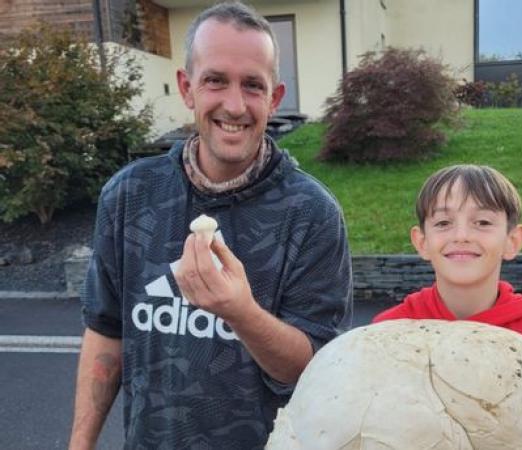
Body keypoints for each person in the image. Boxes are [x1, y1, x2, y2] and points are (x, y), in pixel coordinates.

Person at [69, 2, 352, 449]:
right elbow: (106, 331)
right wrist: (80, 444)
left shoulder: (311, 214)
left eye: (253, 86)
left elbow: (314, 369)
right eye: (216, 80)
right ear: (187, 88)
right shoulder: (129, 196)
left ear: (275, 98)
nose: (235, 105)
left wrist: (241, 312)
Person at [372, 164, 522, 359]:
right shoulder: (386, 333)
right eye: (443, 223)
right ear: (422, 242)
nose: (461, 236)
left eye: (482, 222)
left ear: (512, 240)